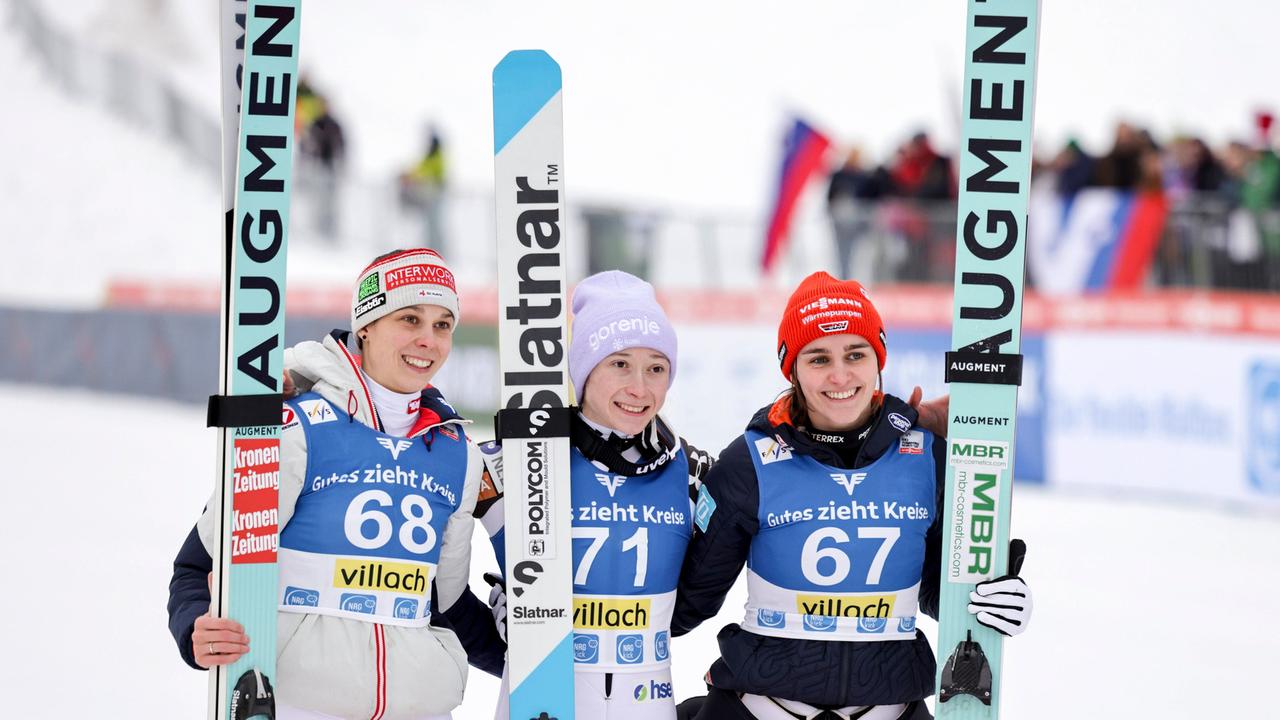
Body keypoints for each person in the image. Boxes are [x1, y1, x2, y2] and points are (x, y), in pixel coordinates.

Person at [670, 271, 1033, 720]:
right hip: (760, 708)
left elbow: (942, 591)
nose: (839, 375)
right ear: (793, 369)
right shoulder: (750, 463)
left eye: (855, 354)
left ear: (877, 360)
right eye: (818, 358)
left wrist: (995, 596)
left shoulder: (926, 454)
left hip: (890, 707)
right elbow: (681, 608)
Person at [167, 248, 503, 720]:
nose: (428, 340)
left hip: (418, 708)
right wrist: (195, 628)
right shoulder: (296, 428)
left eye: (443, 325)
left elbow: (445, 605)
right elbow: (197, 565)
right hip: (299, 703)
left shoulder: (457, 454)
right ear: (366, 324)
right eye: (410, 319)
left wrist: (534, 656)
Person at [478, 271, 713, 720]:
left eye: (656, 368)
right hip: (539, 699)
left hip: (647, 702)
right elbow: (434, 585)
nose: (639, 388)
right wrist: (513, 640)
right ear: (584, 370)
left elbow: (705, 592)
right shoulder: (511, 463)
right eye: (619, 363)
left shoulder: (694, 473)